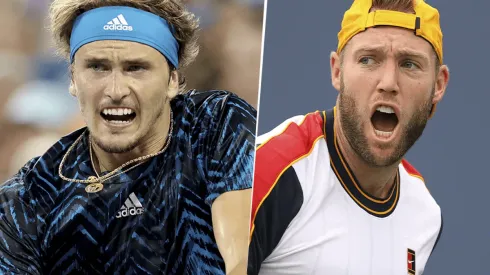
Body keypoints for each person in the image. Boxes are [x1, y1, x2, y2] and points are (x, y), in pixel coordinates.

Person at [0, 0, 256, 274]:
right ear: (73, 78)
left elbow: (242, 260)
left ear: (172, 80)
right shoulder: (26, 198)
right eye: (97, 67)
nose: (115, 89)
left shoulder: (214, 122)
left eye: (136, 68)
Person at [248, 0, 450, 274]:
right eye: (368, 59)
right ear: (337, 71)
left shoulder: (425, 215)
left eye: (410, 64)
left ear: (438, 85)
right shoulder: (262, 173)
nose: (388, 83)